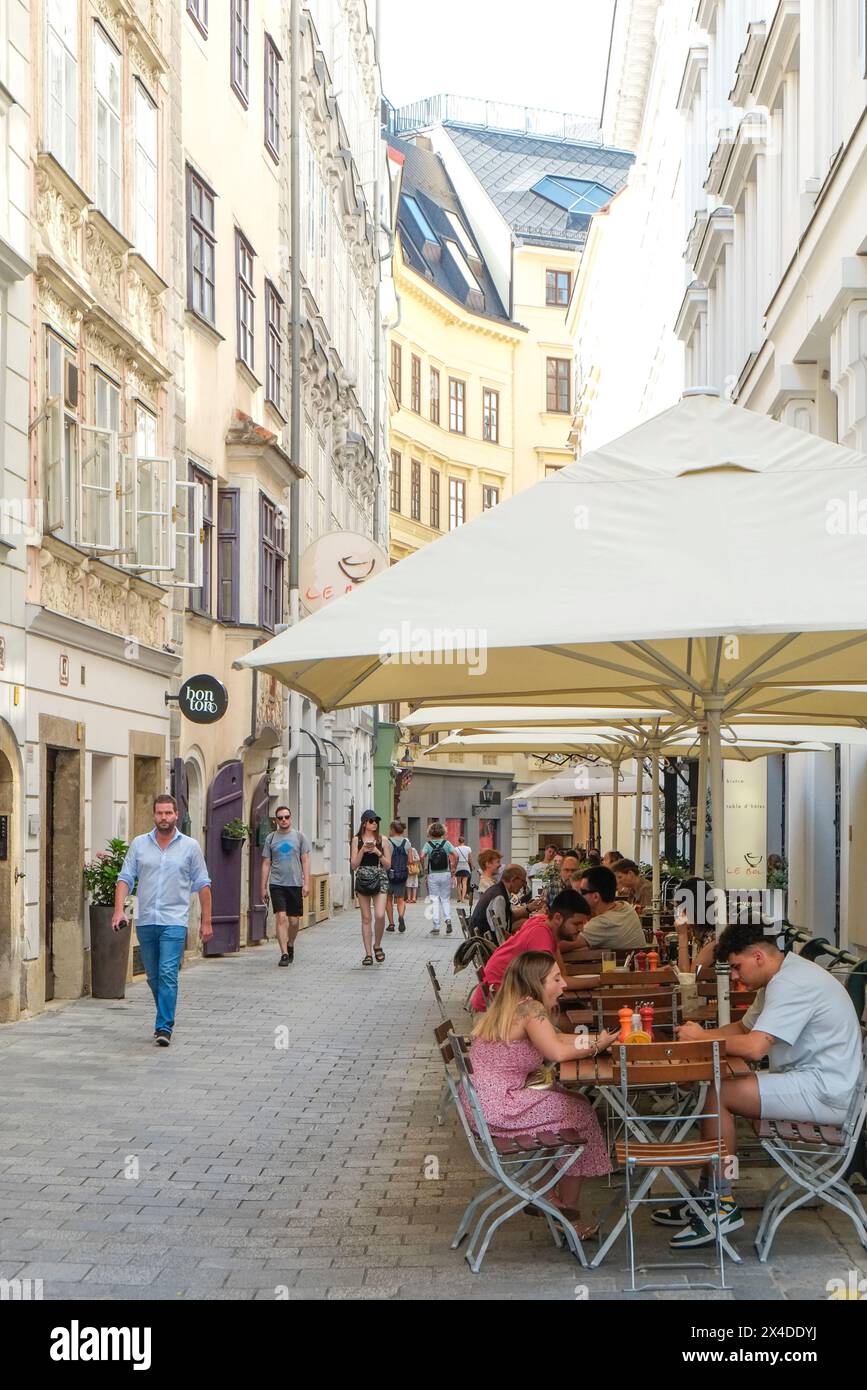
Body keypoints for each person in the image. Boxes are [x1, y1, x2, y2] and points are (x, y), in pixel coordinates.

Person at [658, 923, 865, 1249]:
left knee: (721, 1092)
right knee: (721, 1085)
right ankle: (709, 1194)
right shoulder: (781, 977)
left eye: (737, 967)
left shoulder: (791, 983)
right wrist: (699, 1040)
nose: (736, 977)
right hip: (814, 1082)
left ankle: (719, 1202)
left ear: (757, 956)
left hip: (826, 1092)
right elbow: (743, 1027)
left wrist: (700, 1039)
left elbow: (755, 1047)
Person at [464, 951, 617, 1236]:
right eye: (556, 979)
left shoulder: (516, 1006)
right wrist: (598, 1046)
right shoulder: (531, 1009)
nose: (564, 985)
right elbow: (557, 1052)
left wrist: (600, 1038)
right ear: (537, 982)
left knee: (575, 1104)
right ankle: (565, 1211)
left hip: (485, 1103)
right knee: (579, 1112)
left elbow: (557, 1038)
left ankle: (547, 1194)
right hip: (499, 1106)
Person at [113, 793, 212, 1047]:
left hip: (174, 921)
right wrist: (118, 910)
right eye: (160, 813)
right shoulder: (139, 844)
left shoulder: (190, 846)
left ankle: (164, 1026)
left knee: (168, 973)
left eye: (168, 813)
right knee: (153, 977)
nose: (164, 817)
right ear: (154, 815)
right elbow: (125, 877)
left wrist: (206, 922)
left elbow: (203, 884)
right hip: (146, 920)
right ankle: (165, 1013)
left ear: (176, 815)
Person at [470, 889, 592, 1010]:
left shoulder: (542, 922)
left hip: (497, 1001)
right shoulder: (540, 936)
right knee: (573, 1017)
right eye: (577, 924)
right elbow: (557, 982)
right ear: (558, 918)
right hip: (495, 1011)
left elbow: (561, 974)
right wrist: (599, 981)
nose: (582, 929)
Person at [260, 805, 311, 966]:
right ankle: (283, 954)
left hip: (295, 883)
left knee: (294, 922)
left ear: (291, 818)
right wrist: (263, 887)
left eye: (286, 817)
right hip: (277, 884)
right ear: (276, 820)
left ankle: (290, 944)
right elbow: (266, 863)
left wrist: (306, 883)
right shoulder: (271, 838)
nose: (283, 820)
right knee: (281, 918)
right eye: (280, 818)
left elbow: (305, 861)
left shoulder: (299, 837)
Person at [350, 811, 392, 966]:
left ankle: (377, 944)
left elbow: (388, 865)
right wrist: (362, 850)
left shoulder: (383, 840)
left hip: (380, 878)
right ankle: (368, 953)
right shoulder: (356, 840)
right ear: (364, 823)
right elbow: (354, 865)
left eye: (376, 821)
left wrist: (377, 852)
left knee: (380, 915)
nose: (374, 823)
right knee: (366, 917)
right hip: (362, 879)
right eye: (371, 821)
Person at [574, 866, 646, 950]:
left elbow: (561, 946)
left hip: (618, 963)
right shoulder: (626, 907)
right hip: (633, 961)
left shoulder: (603, 923)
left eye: (582, 892)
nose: (578, 896)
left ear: (596, 897)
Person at [469, 864, 530, 941]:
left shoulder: (497, 890)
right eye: (523, 881)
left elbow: (507, 920)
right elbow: (501, 934)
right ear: (513, 880)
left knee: (525, 923)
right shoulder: (499, 898)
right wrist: (518, 943)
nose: (523, 885)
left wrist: (528, 909)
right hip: (488, 944)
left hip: (482, 940)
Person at [421, 821, 457, 936]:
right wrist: (453, 868)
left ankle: (436, 926)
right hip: (445, 874)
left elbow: (422, 856)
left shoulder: (428, 844)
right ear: (442, 832)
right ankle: (448, 919)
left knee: (435, 900)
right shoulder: (446, 843)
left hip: (433, 875)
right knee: (445, 899)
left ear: (430, 832)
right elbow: (455, 855)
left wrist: (424, 869)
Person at [384, 819, 412, 934]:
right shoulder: (407, 843)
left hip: (389, 874)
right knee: (400, 899)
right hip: (402, 874)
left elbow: (387, 861)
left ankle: (391, 924)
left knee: (388, 899)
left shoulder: (388, 842)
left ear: (392, 829)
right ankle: (401, 916)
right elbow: (410, 860)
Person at [453, 833, 474, 901]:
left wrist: (454, 867)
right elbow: (470, 858)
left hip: (459, 866)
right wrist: (472, 865)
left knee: (459, 883)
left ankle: (459, 897)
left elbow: (455, 859)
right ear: (464, 841)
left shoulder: (456, 849)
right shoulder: (468, 848)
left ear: (458, 841)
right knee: (464, 883)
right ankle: (462, 898)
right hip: (466, 866)